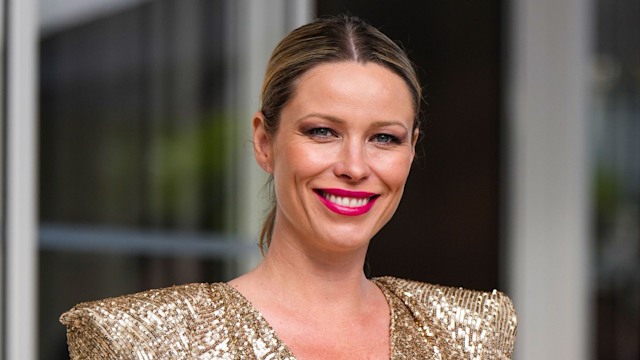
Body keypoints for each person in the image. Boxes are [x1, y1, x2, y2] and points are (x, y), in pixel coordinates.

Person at [60, 15, 517, 359]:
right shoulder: (143, 341)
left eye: (384, 138)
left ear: (412, 150)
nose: (354, 167)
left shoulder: (467, 333)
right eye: (323, 131)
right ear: (265, 142)